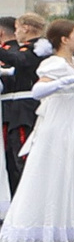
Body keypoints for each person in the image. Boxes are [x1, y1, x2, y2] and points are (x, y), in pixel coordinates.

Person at [0, 20, 74, 242]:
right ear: (64, 39)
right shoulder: (53, 64)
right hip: (60, 120)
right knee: (57, 165)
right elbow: (38, 90)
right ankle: (47, 224)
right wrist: (65, 81)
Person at [0, 15, 44, 191]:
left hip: (25, 109)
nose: (16, 33)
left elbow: (20, 61)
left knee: (23, 157)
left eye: (18, 29)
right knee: (14, 159)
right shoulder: (27, 49)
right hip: (18, 108)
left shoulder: (36, 49)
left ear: (26, 28)